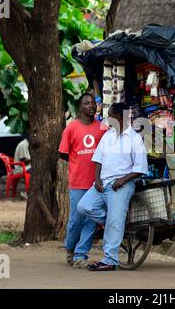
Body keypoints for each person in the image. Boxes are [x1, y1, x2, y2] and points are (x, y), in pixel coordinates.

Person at [77, 102, 148, 271]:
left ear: (118, 117)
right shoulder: (108, 136)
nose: (108, 118)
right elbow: (98, 160)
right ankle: (113, 223)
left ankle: (110, 260)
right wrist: (97, 179)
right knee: (84, 207)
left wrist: (123, 180)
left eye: (110, 115)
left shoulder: (135, 139)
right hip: (103, 184)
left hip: (121, 186)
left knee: (115, 221)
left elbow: (140, 168)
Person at [58, 93, 107, 269]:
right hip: (78, 182)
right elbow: (63, 153)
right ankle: (70, 248)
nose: (91, 106)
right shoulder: (71, 128)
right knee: (76, 220)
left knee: (90, 221)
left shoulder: (103, 128)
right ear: (81, 107)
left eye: (93, 103)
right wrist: (78, 161)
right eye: (87, 103)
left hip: (96, 184)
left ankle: (80, 255)